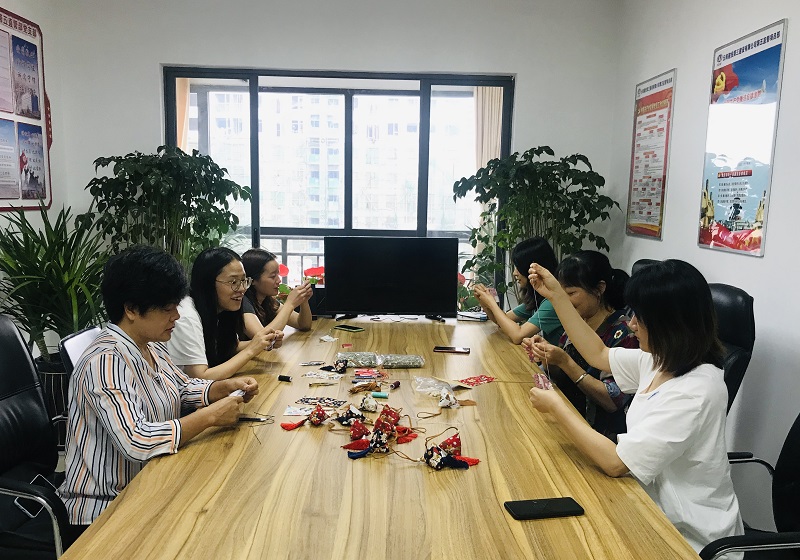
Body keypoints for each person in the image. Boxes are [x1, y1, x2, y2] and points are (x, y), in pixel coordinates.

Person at [526, 259, 743, 552]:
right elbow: (598, 353)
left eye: (640, 318)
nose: (631, 325)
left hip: (687, 537)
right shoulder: (659, 360)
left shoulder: (696, 390)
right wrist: (557, 296)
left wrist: (556, 406)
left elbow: (616, 463)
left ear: (671, 323)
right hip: (645, 503)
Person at [58, 245, 259, 530]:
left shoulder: (150, 346)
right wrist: (211, 416)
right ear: (131, 309)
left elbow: (181, 388)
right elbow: (136, 440)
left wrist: (220, 389)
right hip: (106, 509)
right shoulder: (106, 361)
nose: (176, 315)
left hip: (151, 484)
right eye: (166, 308)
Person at [522, 250, 638, 441]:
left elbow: (612, 400)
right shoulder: (576, 324)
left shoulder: (624, 333)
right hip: (567, 424)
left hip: (600, 437)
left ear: (599, 288)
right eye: (561, 294)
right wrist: (547, 356)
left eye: (571, 293)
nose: (565, 301)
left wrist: (565, 362)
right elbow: (562, 376)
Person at [167, 247, 281, 380]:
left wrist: (262, 341)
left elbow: (232, 346)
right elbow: (201, 377)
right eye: (233, 282)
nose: (242, 289)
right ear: (208, 283)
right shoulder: (186, 316)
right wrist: (252, 349)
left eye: (244, 281)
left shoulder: (220, 309)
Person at [473, 237, 562, 344]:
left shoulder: (552, 302)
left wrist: (491, 303)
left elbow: (518, 336)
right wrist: (484, 302)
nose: (515, 273)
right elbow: (501, 321)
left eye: (518, 267)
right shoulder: (537, 297)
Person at [240, 248, 312, 339]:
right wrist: (289, 304)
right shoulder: (243, 301)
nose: (279, 280)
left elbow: (303, 325)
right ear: (252, 280)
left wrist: (303, 300)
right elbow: (263, 339)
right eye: (273, 276)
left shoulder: (267, 300)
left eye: (278, 274)